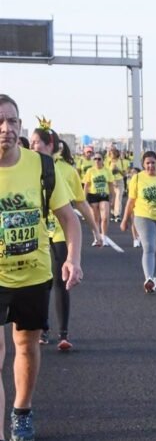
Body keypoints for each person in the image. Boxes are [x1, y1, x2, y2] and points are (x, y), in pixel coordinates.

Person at [0, 94, 83, 441]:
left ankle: (22, 410)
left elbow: (69, 219)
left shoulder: (41, 166)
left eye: (12, 122)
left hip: (34, 274)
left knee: (25, 346)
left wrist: (73, 259)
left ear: (20, 127)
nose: (6, 128)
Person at [30, 122, 101, 350]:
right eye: (30, 143)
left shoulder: (67, 171)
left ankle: (63, 333)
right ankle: (42, 328)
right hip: (36, 233)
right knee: (40, 282)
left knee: (61, 280)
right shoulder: (27, 167)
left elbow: (80, 203)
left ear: (50, 144)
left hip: (59, 230)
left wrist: (96, 230)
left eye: (36, 143)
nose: (31, 147)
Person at [121, 151, 156, 293]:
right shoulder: (137, 178)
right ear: (143, 164)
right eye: (147, 163)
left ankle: (153, 276)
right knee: (149, 246)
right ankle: (148, 278)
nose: (150, 165)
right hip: (144, 215)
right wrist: (125, 219)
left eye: (153, 162)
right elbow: (131, 200)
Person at [83, 152, 115, 246]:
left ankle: (104, 237)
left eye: (99, 159)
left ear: (103, 160)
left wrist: (112, 198)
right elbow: (86, 185)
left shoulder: (107, 170)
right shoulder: (90, 171)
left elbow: (111, 185)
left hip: (104, 195)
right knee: (95, 218)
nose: (97, 161)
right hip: (93, 195)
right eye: (95, 159)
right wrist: (83, 199)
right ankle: (96, 238)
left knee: (105, 217)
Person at [106, 147, 127, 223]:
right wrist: (111, 171)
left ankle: (117, 214)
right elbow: (105, 172)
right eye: (111, 152)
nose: (113, 154)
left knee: (118, 197)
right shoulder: (107, 162)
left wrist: (118, 170)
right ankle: (112, 213)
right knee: (112, 198)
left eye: (115, 152)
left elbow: (124, 174)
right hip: (110, 182)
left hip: (119, 181)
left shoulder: (122, 162)